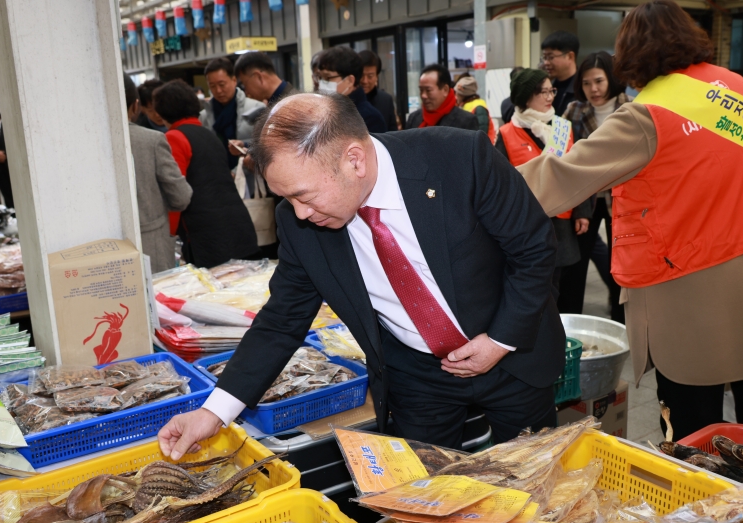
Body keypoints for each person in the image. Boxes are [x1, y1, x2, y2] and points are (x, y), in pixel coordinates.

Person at [157, 93, 566, 459]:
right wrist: (213, 412)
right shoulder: (300, 223)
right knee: (425, 500)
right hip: (418, 375)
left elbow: (533, 249)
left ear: (354, 159)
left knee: (537, 480)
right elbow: (281, 321)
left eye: (303, 195)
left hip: (513, 355)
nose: (298, 213)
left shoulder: (459, 159)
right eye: (286, 199)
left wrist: (499, 339)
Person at [518, 0, 743, 438]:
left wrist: (480, 185)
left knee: (696, 431)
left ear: (630, 55)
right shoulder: (738, 88)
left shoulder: (647, 115)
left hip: (694, 288)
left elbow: (561, 176)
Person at [494, 68, 590, 290]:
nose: (549, 97)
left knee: (556, 283)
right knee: (532, 283)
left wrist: (582, 211)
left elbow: (577, 170)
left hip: (560, 220)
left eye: (551, 91)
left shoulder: (562, 128)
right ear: (525, 96)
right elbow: (500, 181)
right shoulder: (508, 133)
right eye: (542, 92)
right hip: (526, 222)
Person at [153, 80, 260, 268]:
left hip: (208, 235)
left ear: (162, 112)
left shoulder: (174, 137)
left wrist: (169, 237)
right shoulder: (208, 134)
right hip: (238, 226)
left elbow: (176, 193)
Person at [558, 51, 630, 323]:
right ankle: (569, 323)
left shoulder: (631, 107)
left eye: (599, 81)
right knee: (576, 265)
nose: (593, 89)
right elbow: (556, 149)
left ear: (612, 78)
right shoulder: (573, 110)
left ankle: (620, 321)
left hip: (623, 197)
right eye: (586, 83)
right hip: (584, 198)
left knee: (620, 262)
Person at [121, 74, 192, 273]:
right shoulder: (151, 141)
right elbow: (181, 197)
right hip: (150, 246)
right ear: (135, 106)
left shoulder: (81, 146)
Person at [200, 57, 265, 168]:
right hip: (219, 176)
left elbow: (267, 143)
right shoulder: (203, 116)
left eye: (222, 84)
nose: (218, 91)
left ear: (234, 80)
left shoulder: (256, 108)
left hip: (249, 175)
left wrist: (244, 144)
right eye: (212, 86)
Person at [317, 47, 387, 134]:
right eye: (320, 77)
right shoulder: (322, 111)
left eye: (328, 78)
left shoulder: (370, 118)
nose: (322, 83)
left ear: (350, 80)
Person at [407, 65, 478, 131]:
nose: (423, 95)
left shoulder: (466, 121)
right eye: (421, 90)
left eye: (428, 90)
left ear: (445, 90)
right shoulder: (413, 118)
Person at [541, 31, 579, 116]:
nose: (546, 62)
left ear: (570, 56)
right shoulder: (549, 87)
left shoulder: (582, 89)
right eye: (544, 57)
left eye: (551, 57)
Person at [358, 50, 398, 132]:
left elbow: (393, 133)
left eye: (370, 76)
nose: (365, 81)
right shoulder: (346, 100)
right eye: (361, 75)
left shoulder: (386, 100)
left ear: (377, 76)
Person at [455, 76, 495, 143]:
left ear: (464, 94)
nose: (456, 96)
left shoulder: (479, 108)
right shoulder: (466, 105)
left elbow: (482, 134)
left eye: (457, 93)